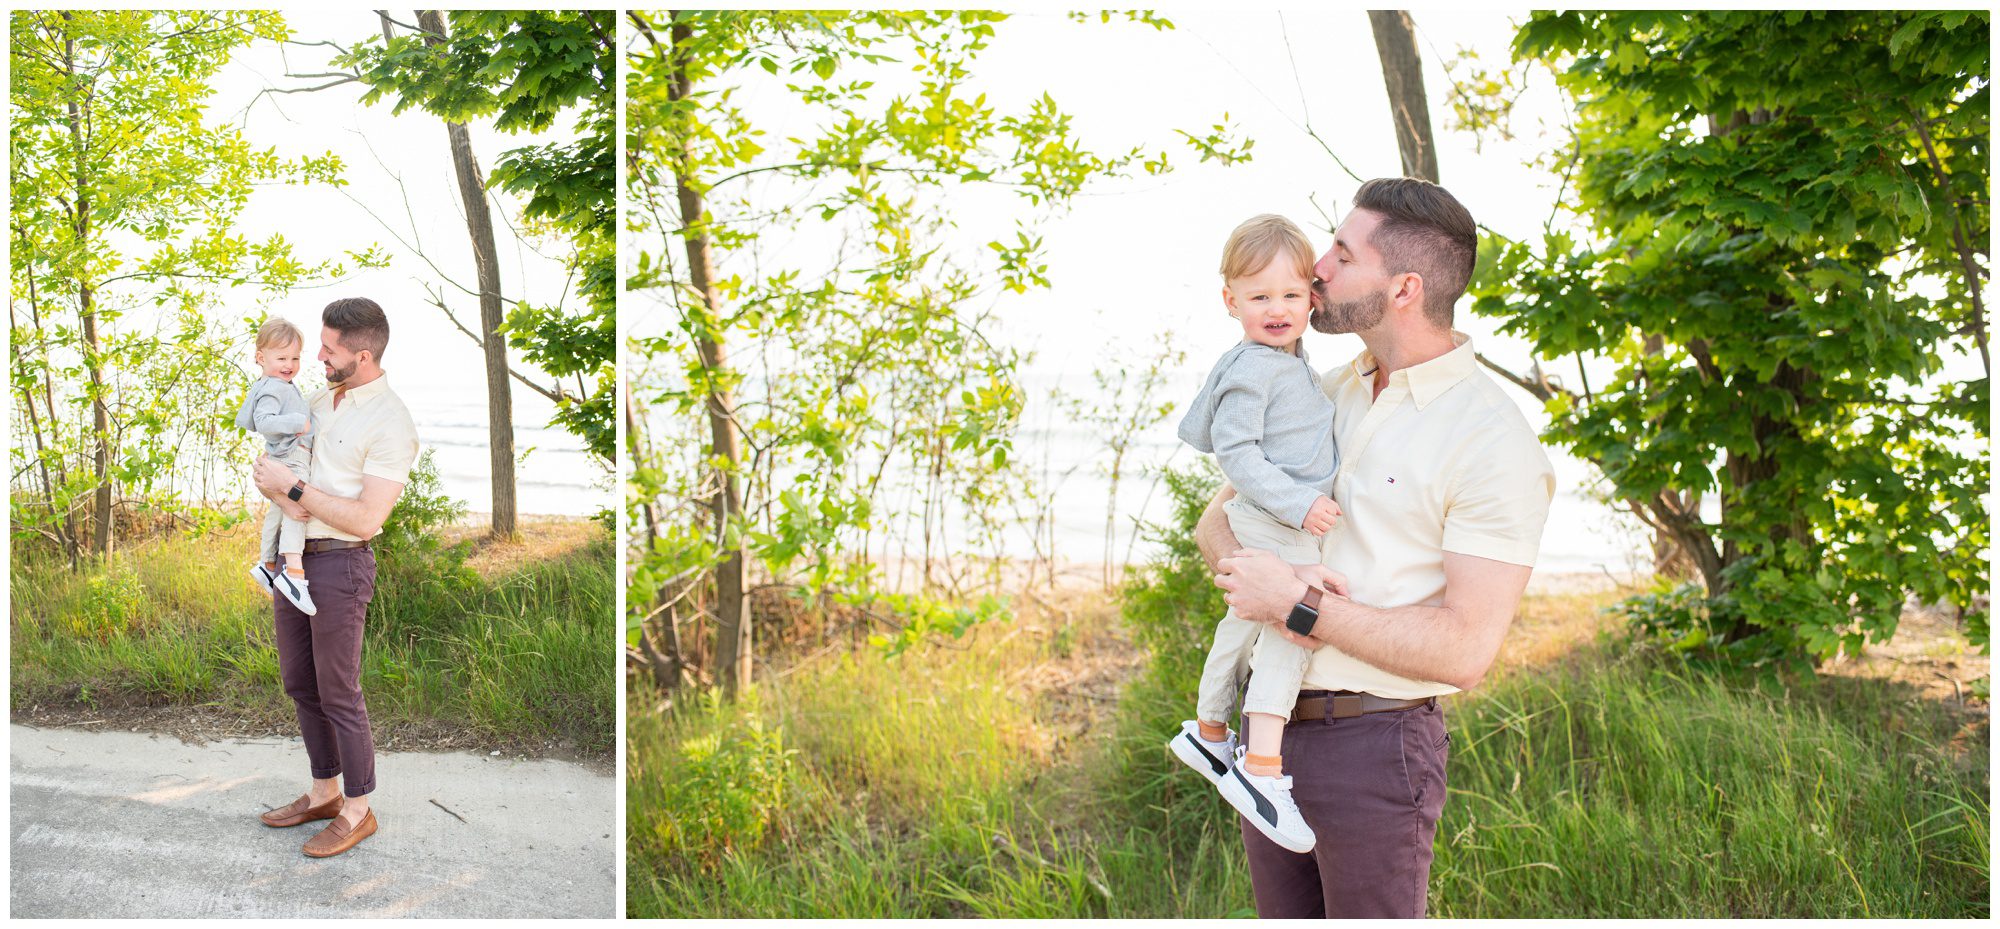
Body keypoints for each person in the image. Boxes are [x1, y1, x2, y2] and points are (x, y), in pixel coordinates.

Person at [1202, 178, 1556, 918]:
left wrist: (1293, 605)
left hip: (1376, 746)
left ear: (1403, 287)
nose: (1315, 269)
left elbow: (1465, 648)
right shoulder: (1323, 388)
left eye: (1340, 251)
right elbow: (1216, 527)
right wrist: (1260, 578)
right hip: (1267, 738)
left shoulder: (1491, 439)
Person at [1167, 213, 1341, 854]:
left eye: (1292, 295)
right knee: (1295, 622)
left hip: (1273, 517)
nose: (1277, 308)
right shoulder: (1253, 368)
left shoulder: (1285, 358)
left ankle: (1210, 729)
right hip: (1277, 518)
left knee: (1242, 623)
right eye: (1260, 296)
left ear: (1312, 299)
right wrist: (1301, 505)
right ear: (1230, 300)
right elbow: (1236, 457)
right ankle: (1261, 768)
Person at [249, 297, 419, 858]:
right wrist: (274, 486)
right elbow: (275, 464)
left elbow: (369, 518)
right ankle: (323, 792)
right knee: (300, 682)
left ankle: (357, 809)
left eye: (328, 349)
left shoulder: (391, 421)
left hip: (341, 563)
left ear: (363, 355)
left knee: (340, 692)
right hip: (292, 560)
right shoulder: (316, 400)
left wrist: (294, 492)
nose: (315, 356)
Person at [238, 317, 318, 615]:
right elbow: (265, 422)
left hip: (283, 455)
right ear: (261, 358)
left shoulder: (273, 383)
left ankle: (268, 563)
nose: (290, 364)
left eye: (295, 358)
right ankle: (294, 573)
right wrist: (300, 422)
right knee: (298, 510)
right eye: (281, 357)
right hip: (292, 455)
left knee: (280, 508)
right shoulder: (275, 388)